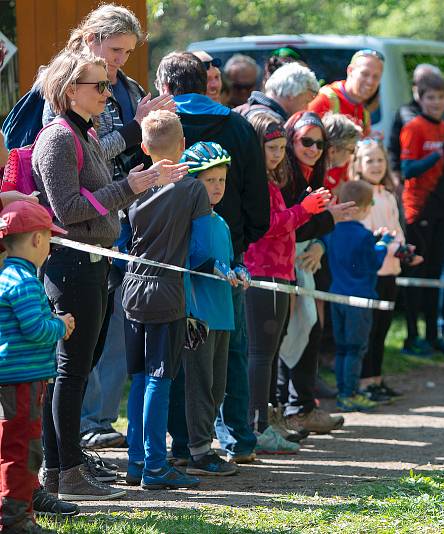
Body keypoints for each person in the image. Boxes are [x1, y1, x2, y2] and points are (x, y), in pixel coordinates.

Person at [33, 50, 177, 501]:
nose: (107, 92)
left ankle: (61, 472)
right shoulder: (58, 137)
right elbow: (68, 209)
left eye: (106, 84)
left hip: (92, 263)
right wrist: (130, 187)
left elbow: (91, 199)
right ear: (69, 90)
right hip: (71, 266)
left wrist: (129, 185)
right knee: (69, 372)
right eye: (98, 85)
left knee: (72, 371)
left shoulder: (86, 133)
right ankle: (64, 471)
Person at [54, 2, 174, 454]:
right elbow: (88, 155)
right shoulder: (69, 86)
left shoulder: (125, 86)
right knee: (74, 351)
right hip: (80, 234)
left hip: (119, 220)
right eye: (116, 49)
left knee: (105, 334)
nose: (121, 61)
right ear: (90, 39)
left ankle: (90, 430)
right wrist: (133, 129)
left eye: (127, 52)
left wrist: (153, 134)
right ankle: (74, 443)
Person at [156, 51, 270, 464]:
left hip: (168, 258)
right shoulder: (237, 125)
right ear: (208, 83)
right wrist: (240, 242)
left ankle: (185, 443)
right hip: (227, 253)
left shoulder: (157, 126)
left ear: (165, 87)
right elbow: (259, 199)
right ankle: (239, 436)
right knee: (229, 352)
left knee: (180, 355)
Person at [122, 108, 214, 491]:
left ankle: (136, 460)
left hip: (130, 289)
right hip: (167, 290)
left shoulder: (133, 185)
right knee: (161, 376)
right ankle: (157, 467)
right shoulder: (193, 189)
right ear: (184, 147)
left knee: (140, 377)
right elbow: (203, 250)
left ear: (143, 146)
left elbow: (121, 238)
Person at [244, 113, 330, 448]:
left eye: (282, 148)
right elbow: (268, 224)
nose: (279, 154)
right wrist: (306, 209)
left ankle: (267, 420)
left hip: (281, 271)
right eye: (272, 148)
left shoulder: (273, 179)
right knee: (261, 354)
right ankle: (257, 425)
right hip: (262, 271)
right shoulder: (256, 181)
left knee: (270, 350)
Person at [276, 112, 357, 434]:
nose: (313, 148)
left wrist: (320, 244)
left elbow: (314, 222)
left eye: (319, 143)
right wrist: (327, 222)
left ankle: (300, 406)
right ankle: (289, 409)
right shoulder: (285, 173)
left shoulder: (316, 172)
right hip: (281, 263)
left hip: (305, 261)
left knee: (308, 329)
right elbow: (286, 221)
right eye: (306, 141)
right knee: (286, 334)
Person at [175, 141, 253, 475]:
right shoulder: (185, 219)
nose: (217, 187)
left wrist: (239, 269)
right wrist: (207, 267)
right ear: (193, 182)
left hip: (223, 313)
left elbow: (227, 260)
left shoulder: (220, 221)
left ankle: (200, 445)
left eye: (221, 180)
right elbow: (185, 260)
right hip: (198, 316)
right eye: (210, 181)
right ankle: (197, 452)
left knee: (218, 385)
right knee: (199, 384)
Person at [0, 201, 75, 533]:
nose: (50, 246)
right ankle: (15, 519)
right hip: (23, 382)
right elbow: (35, 328)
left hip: (10, 380)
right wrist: (60, 325)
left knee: (11, 446)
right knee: (24, 450)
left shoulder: (5, 276)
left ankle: (16, 509)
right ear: (35, 240)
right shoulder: (25, 281)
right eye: (49, 238)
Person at [399, 74, 444, 356]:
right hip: (418, 208)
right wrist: (440, 153)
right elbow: (407, 170)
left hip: (441, 207)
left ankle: (433, 334)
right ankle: (412, 337)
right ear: (420, 99)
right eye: (430, 98)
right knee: (417, 273)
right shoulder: (414, 127)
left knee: (435, 273)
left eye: (441, 97)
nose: (436, 103)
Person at [355, 139, 420, 400]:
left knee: (382, 328)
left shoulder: (388, 195)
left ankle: (377, 379)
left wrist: (406, 251)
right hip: (371, 272)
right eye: (369, 160)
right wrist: (392, 246)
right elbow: (366, 234)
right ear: (358, 164)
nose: (376, 165)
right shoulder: (357, 194)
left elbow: (396, 230)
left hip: (391, 269)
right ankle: (364, 382)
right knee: (368, 331)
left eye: (380, 160)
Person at [323, 180, 393, 412]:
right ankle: (349, 394)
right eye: (370, 204)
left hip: (337, 297)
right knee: (355, 348)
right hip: (360, 299)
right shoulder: (363, 235)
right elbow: (373, 263)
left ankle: (343, 391)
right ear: (359, 208)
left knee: (342, 348)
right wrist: (383, 245)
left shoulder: (331, 232)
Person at [308, 49, 384, 137]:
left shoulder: (364, 112)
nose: (370, 81)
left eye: (376, 77)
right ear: (350, 71)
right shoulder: (325, 100)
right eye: (365, 74)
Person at [235, 62, 320, 123]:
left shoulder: (239, 111)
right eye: (306, 101)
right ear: (291, 94)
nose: (307, 108)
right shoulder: (273, 122)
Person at [322, 114, 361, 193]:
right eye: (351, 150)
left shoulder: (330, 173)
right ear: (332, 151)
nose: (352, 156)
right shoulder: (313, 177)